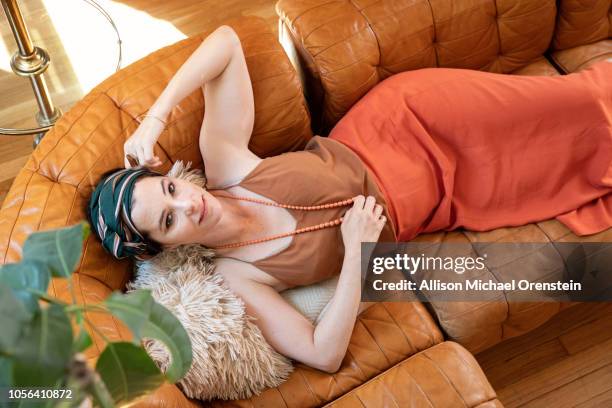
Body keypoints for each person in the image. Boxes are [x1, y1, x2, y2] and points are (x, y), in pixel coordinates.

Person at [88, 25, 612, 374]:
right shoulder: (238, 278)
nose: (188, 205)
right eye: (169, 220)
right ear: (165, 248)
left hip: (408, 118)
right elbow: (324, 355)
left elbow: (225, 42)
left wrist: (154, 118)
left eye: (173, 189)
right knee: (567, 174)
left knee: (576, 102)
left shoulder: (223, 160)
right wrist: (359, 255)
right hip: (441, 199)